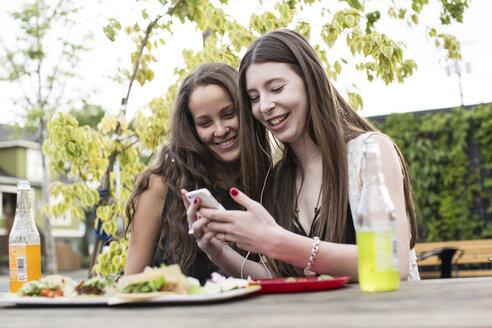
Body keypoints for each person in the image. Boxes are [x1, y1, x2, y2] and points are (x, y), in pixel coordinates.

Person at [189, 29, 420, 280]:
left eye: (276, 88)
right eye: (254, 98)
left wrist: (278, 242)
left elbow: (393, 262)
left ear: (310, 80)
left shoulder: (370, 152)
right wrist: (218, 252)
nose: (264, 106)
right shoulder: (279, 178)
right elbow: (276, 276)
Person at [124, 63, 245, 284]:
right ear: (192, 129)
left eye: (229, 114)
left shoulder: (271, 180)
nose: (220, 130)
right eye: (205, 123)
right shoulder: (159, 186)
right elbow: (131, 283)